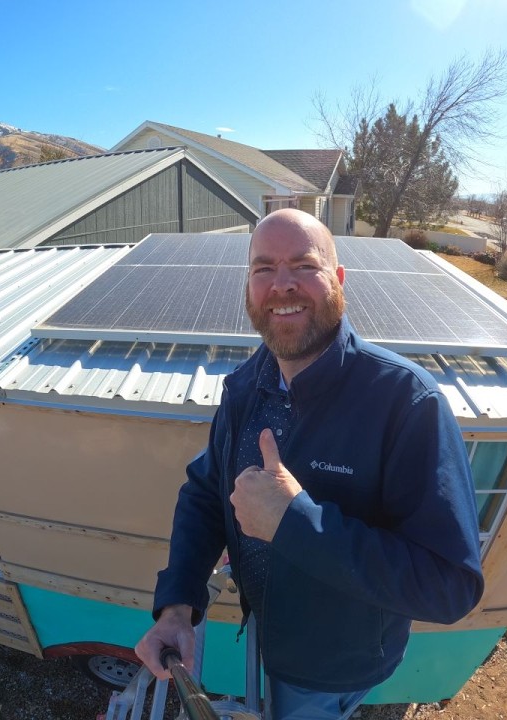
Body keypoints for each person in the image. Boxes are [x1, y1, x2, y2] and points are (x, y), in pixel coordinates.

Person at [134, 209, 485, 720]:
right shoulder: (248, 384)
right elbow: (206, 493)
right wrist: (176, 608)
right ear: (248, 286)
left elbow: (450, 586)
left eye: (303, 265)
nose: (282, 285)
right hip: (268, 632)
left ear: (338, 280)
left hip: (330, 668)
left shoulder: (405, 402)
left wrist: (294, 522)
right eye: (263, 269)